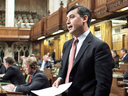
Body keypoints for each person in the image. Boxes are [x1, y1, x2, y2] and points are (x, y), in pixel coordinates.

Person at [52, 5, 114, 96]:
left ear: (84, 18)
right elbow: (64, 67)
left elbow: (103, 84)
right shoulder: (67, 45)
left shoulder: (99, 46)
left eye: (72, 17)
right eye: (66, 19)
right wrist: (60, 78)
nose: (67, 22)